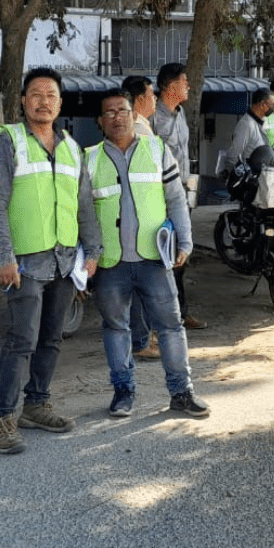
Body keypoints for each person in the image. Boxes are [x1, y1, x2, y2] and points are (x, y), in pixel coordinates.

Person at [0, 67, 102, 454]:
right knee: (22, 339)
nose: (43, 101)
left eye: (50, 95)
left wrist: (94, 251)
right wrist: (3, 256)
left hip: (65, 261)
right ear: (22, 101)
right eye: (35, 94)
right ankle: (1, 418)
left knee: (51, 338)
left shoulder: (71, 148)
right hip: (23, 262)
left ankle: (36, 404)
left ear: (60, 102)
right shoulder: (7, 141)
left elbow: (85, 204)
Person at [87, 90, 210, 419]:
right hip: (110, 263)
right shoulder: (90, 159)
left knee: (170, 327)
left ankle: (181, 393)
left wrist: (185, 241)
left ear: (133, 115)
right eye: (109, 112)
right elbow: (82, 214)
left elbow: (176, 199)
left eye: (123, 110)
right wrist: (87, 257)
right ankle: (123, 393)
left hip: (155, 260)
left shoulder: (157, 149)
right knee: (116, 328)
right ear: (100, 122)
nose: (117, 117)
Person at [151, 63, 206, 331]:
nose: (188, 86)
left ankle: (181, 313)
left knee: (181, 256)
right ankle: (158, 320)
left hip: (182, 193)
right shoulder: (152, 117)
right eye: (184, 81)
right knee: (160, 257)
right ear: (170, 86)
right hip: (159, 196)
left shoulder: (181, 113)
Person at [120, 74, 158, 360]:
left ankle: (143, 336)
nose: (155, 99)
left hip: (135, 217)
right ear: (140, 99)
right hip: (139, 218)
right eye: (152, 94)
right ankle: (141, 340)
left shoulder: (139, 127)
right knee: (139, 283)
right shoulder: (139, 131)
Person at [219, 87, 274, 176]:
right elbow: (234, 155)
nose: (273, 108)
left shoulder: (261, 123)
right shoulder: (246, 125)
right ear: (262, 104)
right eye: (271, 105)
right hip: (250, 179)